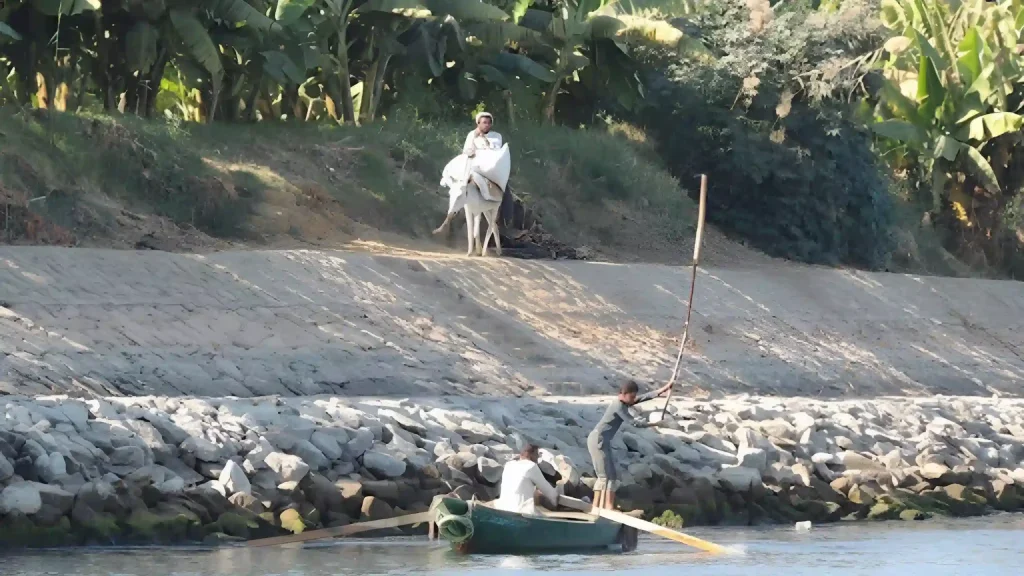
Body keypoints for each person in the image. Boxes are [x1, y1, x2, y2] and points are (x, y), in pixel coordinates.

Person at [587, 379, 672, 510]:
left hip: (602, 440)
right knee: (605, 476)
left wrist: (663, 389)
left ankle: (600, 506)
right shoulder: (619, 406)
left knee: (609, 476)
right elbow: (633, 423)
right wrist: (655, 424)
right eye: (632, 397)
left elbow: (643, 397)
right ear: (624, 394)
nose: (633, 400)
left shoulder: (624, 401)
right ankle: (603, 507)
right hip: (598, 440)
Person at [494, 444, 560, 515]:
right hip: (520, 511)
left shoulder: (508, 465)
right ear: (531, 455)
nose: (538, 458)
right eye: (537, 455)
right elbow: (550, 492)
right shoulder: (531, 466)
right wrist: (555, 502)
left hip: (502, 508)